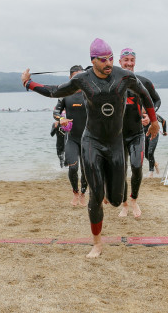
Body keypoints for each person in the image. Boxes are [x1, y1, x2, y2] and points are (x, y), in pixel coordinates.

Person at [21, 38, 159, 258]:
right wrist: (29, 84)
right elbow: (56, 90)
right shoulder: (83, 79)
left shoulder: (124, 77)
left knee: (115, 199)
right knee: (96, 196)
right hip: (92, 141)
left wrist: (153, 121)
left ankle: (106, 184)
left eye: (111, 58)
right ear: (92, 60)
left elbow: (145, 95)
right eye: (103, 59)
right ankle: (97, 244)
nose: (108, 63)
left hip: (115, 142)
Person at [118, 48, 160, 218]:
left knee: (136, 167)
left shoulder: (143, 82)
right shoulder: (113, 82)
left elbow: (156, 100)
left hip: (136, 134)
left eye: (131, 60)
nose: (129, 63)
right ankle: (124, 204)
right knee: (120, 170)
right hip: (117, 135)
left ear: (135, 62)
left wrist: (151, 117)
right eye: (125, 59)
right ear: (119, 62)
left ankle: (134, 199)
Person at [53, 65, 88, 206]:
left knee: (86, 170)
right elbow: (56, 112)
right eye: (75, 76)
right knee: (73, 167)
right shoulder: (65, 94)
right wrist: (61, 119)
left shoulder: (89, 93)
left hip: (87, 138)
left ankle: (83, 194)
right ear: (70, 78)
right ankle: (75, 192)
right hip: (72, 138)